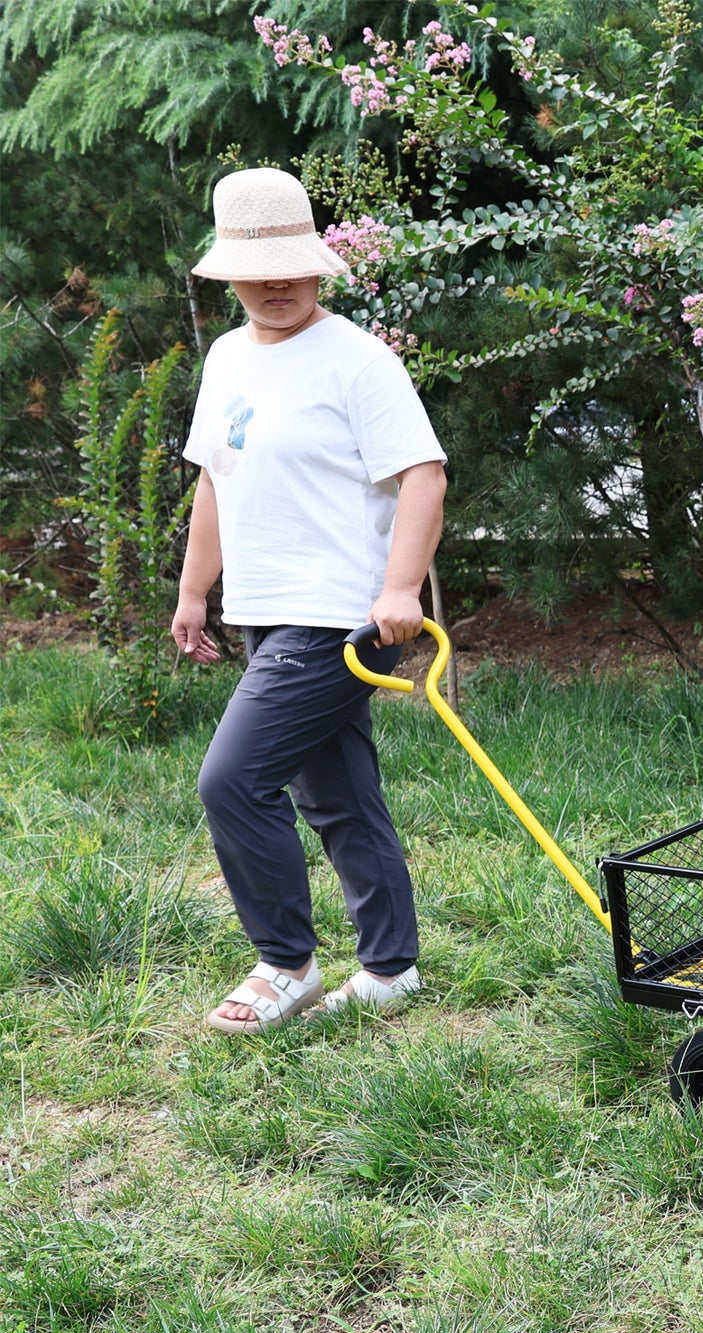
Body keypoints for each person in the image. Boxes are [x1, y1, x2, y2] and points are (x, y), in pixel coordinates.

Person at [172, 168, 448, 1034]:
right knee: (336, 793)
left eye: (294, 265)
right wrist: (194, 588)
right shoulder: (226, 358)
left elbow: (423, 475)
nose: (280, 282)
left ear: (319, 264)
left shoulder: (358, 358)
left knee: (232, 781)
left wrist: (399, 587)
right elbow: (217, 477)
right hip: (265, 607)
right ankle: (391, 968)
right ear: (228, 275)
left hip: (337, 615)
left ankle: (285, 962)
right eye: (260, 270)